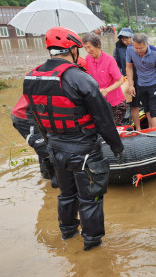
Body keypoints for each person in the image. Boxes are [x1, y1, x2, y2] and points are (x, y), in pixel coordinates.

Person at [23, 27, 125, 251]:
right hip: (84, 149)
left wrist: (48, 142)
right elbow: (103, 116)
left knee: (66, 194)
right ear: (72, 49)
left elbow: (33, 116)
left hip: (56, 148)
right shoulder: (79, 77)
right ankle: (92, 244)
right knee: (90, 198)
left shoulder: (32, 77)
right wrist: (117, 146)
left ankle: (67, 233)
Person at [11, 96, 58, 188]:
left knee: (47, 144)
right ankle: (56, 183)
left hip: (37, 114)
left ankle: (47, 176)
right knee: (46, 149)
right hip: (25, 117)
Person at [82, 33, 127, 125]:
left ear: (98, 44)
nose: (87, 50)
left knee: (112, 128)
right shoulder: (88, 59)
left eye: (89, 47)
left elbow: (120, 80)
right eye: (85, 48)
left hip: (115, 104)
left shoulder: (109, 60)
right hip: (99, 102)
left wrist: (106, 90)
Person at [125, 33, 156, 129]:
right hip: (140, 84)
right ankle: (149, 128)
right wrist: (131, 85)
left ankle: (155, 131)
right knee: (147, 109)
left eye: (141, 48)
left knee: (154, 110)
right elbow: (129, 67)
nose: (138, 51)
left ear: (147, 44)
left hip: (154, 83)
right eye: (136, 48)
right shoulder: (130, 50)